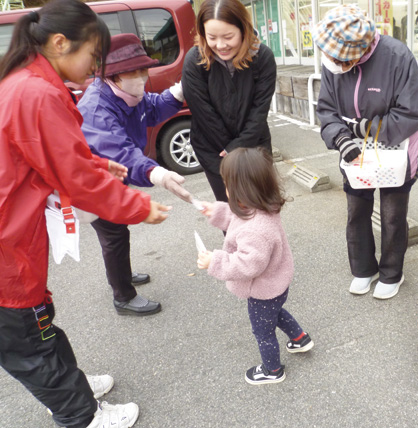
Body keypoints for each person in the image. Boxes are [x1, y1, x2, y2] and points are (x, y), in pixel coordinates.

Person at [0, 1, 169, 427]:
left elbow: (56, 157)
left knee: (37, 321)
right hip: (7, 244)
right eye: (93, 56)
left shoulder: (26, 83)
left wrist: (102, 166)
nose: (97, 68)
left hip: (15, 232)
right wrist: (137, 206)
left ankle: (72, 386)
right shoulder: (36, 93)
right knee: (28, 339)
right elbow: (74, 176)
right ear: (60, 43)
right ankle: (80, 414)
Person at [313, 5, 418, 300]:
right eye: (331, 56)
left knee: (392, 215)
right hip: (354, 154)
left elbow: (411, 112)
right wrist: (341, 138)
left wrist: (367, 129)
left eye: (340, 58)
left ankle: (391, 273)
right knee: (357, 212)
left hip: (396, 151)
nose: (333, 63)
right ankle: (364, 269)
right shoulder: (332, 62)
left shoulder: (397, 56)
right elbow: (326, 110)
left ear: (358, 51)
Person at [78, 33, 190, 316]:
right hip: (93, 184)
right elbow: (121, 153)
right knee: (113, 236)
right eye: (134, 72)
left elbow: (153, 108)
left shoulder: (128, 94)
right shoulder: (96, 109)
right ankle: (123, 296)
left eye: (143, 70)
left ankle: (123, 276)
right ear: (112, 75)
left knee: (118, 232)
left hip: (112, 180)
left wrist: (177, 93)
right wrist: (158, 174)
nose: (141, 77)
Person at [196, 148, 313, 385]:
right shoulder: (260, 206)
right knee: (276, 313)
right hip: (276, 283)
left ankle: (272, 371)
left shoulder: (255, 230)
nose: (225, 189)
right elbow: (236, 217)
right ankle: (299, 338)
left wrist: (215, 261)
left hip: (262, 290)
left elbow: (248, 265)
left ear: (242, 190)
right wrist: (216, 210)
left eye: (227, 184)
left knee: (263, 331)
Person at [182, 0, 277, 203]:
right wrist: (228, 150)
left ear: (243, 29)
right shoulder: (194, 60)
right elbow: (203, 113)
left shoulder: (262, 57)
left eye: (228, 37)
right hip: (214, 150)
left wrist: (239, 145)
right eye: (212, 37)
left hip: (254, 147)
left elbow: (259, 110)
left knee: (262, 208)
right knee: (230, 211)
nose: (221, 45)